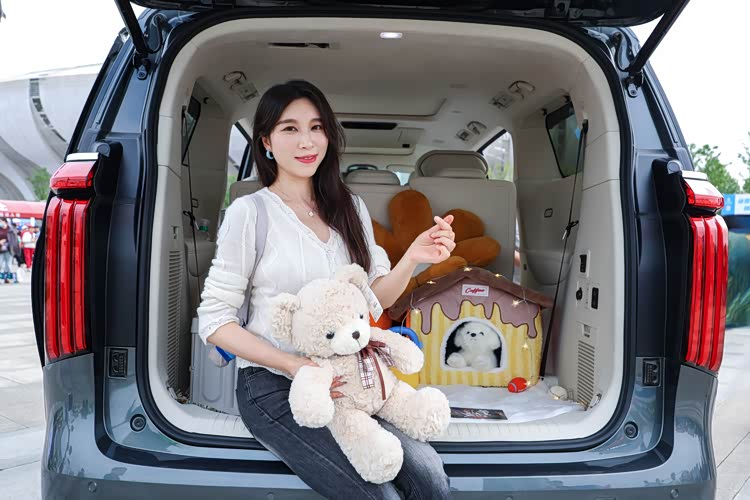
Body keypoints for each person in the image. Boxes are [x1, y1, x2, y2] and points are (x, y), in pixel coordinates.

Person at [197, 80, 456, 499]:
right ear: (266, 141)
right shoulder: (250, 213)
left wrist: (413, 258)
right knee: (380, 495)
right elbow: (214, 320)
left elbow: (376, 300)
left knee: (430, 478)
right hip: (275, 383)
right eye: (290, 128)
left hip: (352, 377)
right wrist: (293, 365)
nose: (307, 141)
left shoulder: (350, 208)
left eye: (316, 127)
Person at [0, 218, 13, 283]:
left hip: (9, 249)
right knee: (0, 264)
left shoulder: (10, 229)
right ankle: (1, 278)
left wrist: (5, 240)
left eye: (1, 221)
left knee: (8, 265)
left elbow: (13, 239)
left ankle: (7, 278)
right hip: (0, 249)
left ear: (5, 222)